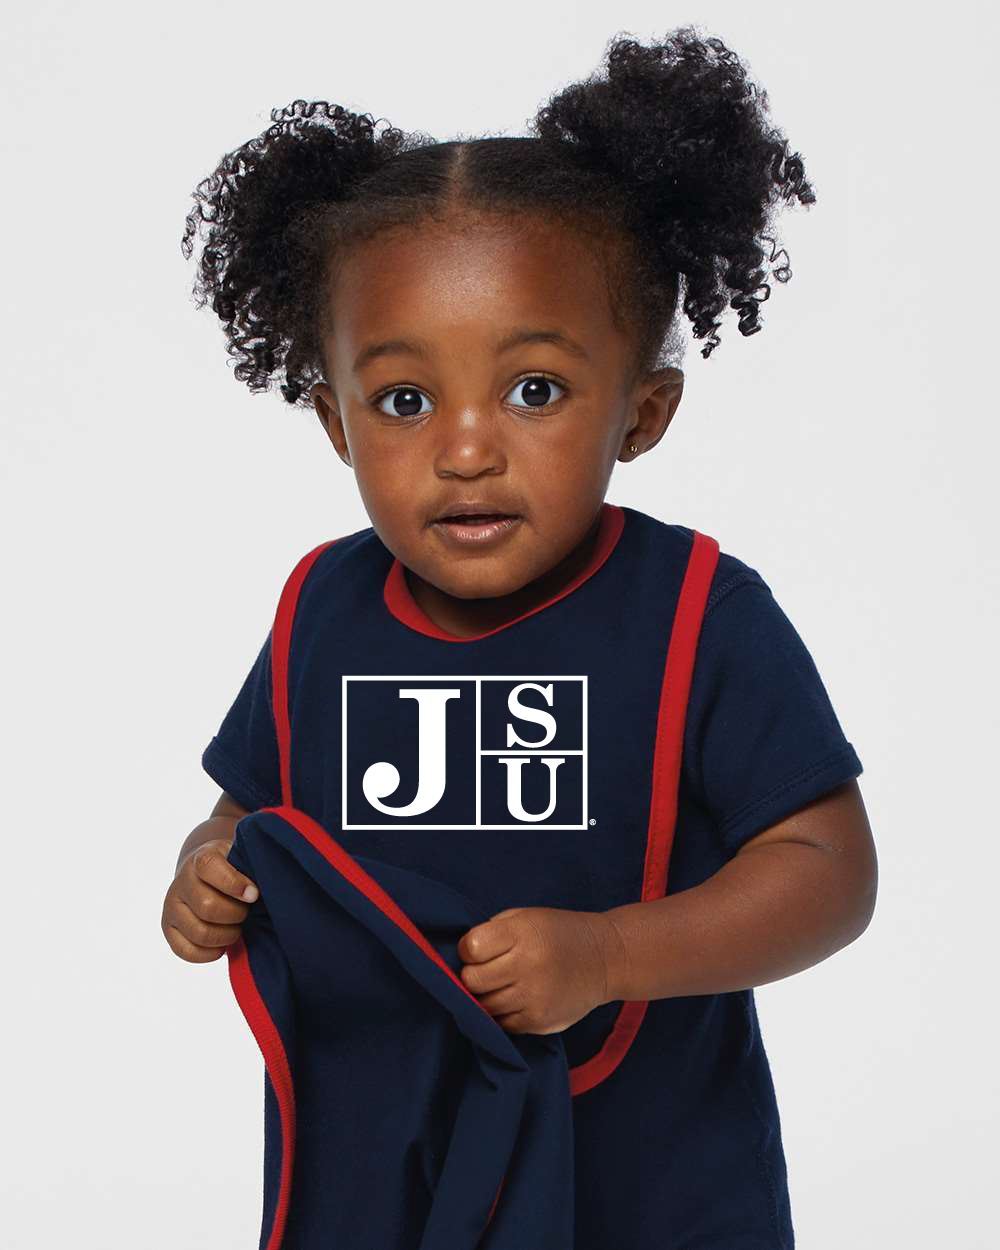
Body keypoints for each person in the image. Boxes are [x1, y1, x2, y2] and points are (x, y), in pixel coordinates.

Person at [161, 26, 878, 1249]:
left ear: (641, 410)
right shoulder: (321, 606)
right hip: (383, 1157)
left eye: (533, 389)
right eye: (403, 400)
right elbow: (254, 808)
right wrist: (208, 866)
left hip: (644, 1176)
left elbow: (828, 870)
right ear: (335, 422)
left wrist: (609, 953)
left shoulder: (698, 610)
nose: (464, 448)